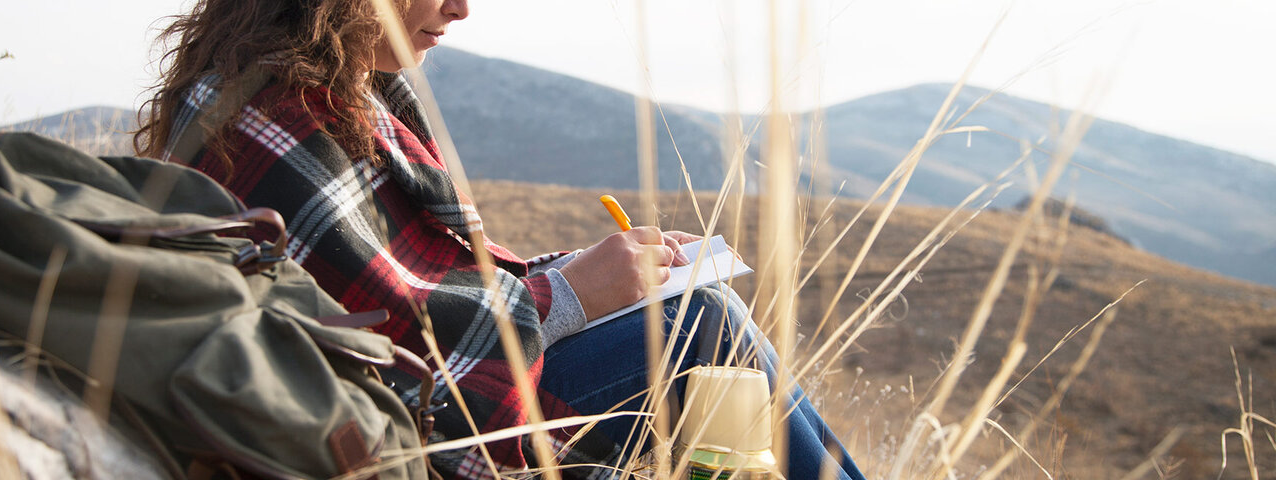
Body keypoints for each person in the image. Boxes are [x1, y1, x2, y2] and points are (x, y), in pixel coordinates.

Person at [136, 0, 865, 478]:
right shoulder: (280, 114)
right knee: (698, 325)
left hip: (413, 396)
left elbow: (429, 281)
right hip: (403, 424)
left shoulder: (314, 91)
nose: (461, 6)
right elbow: (403, 346)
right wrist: (574, 294)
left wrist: (585, 274)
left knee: (690, 318)